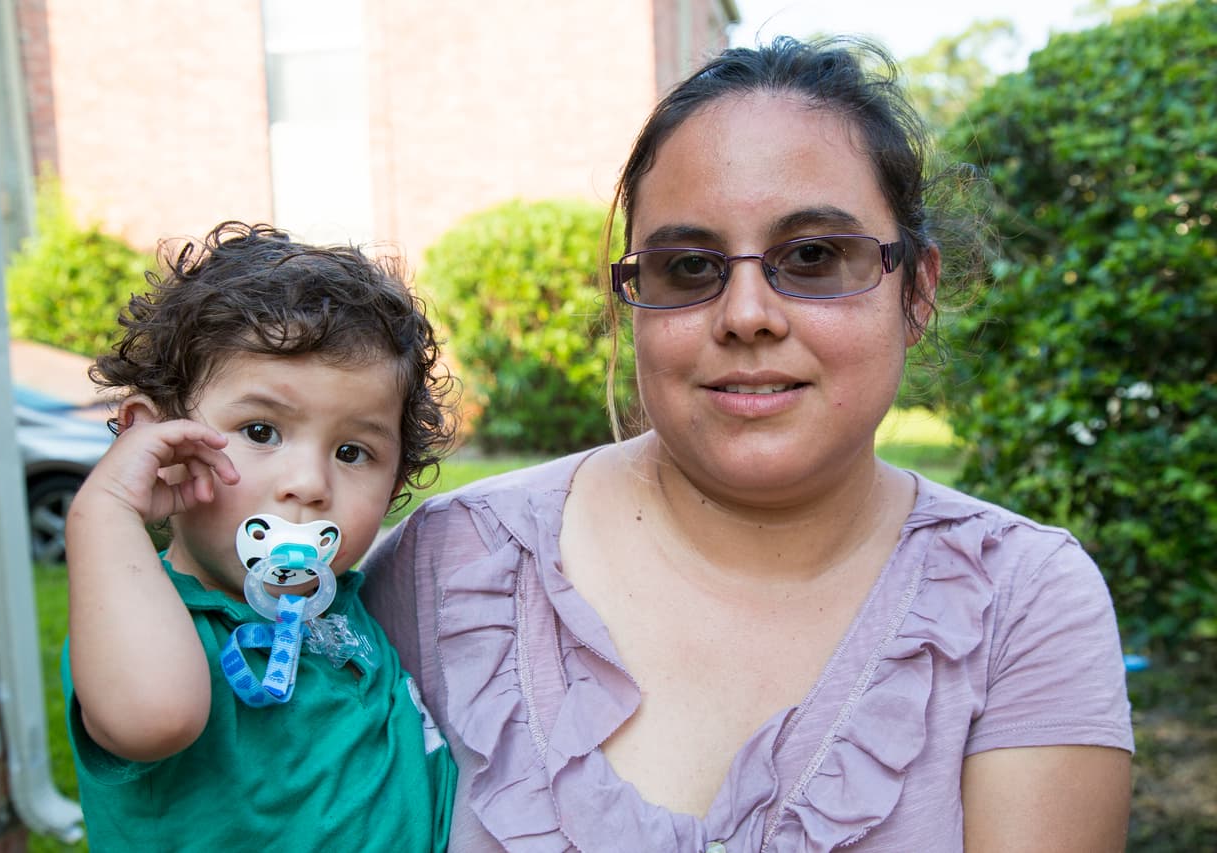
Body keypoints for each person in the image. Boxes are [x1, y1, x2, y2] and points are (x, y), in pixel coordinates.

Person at [362, 36, 1134, 852]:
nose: (746, 313)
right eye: (689, 267)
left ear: (918, 292)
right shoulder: (451, 570)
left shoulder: (1023, 603)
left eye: (811, 256)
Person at [62, 221, 457, 851]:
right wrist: (104, 511)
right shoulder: (137, 624)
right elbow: (154, 717)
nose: (308, 483)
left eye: (353, 451)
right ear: (156, 444)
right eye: (262, 431)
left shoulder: (352, 600)